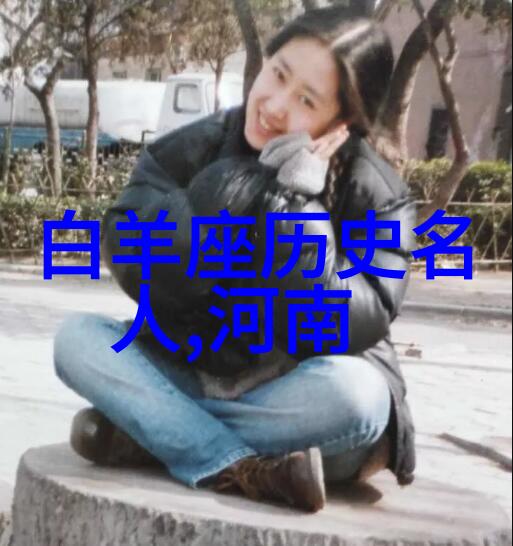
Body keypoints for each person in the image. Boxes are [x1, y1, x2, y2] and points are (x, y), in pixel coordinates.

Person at [54, 7, 417, 514]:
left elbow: (355, 317)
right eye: (279, 75)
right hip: (190, 368)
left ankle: (156, 433)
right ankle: (242, 465)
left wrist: (294, 209)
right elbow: (129, 250)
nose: (275, 106)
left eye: (307, 100)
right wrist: (221, 198)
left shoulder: (378, 194)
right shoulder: (193, 146)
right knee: (77, 340)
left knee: (361, 399)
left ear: (342, 122)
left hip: (296, 396)